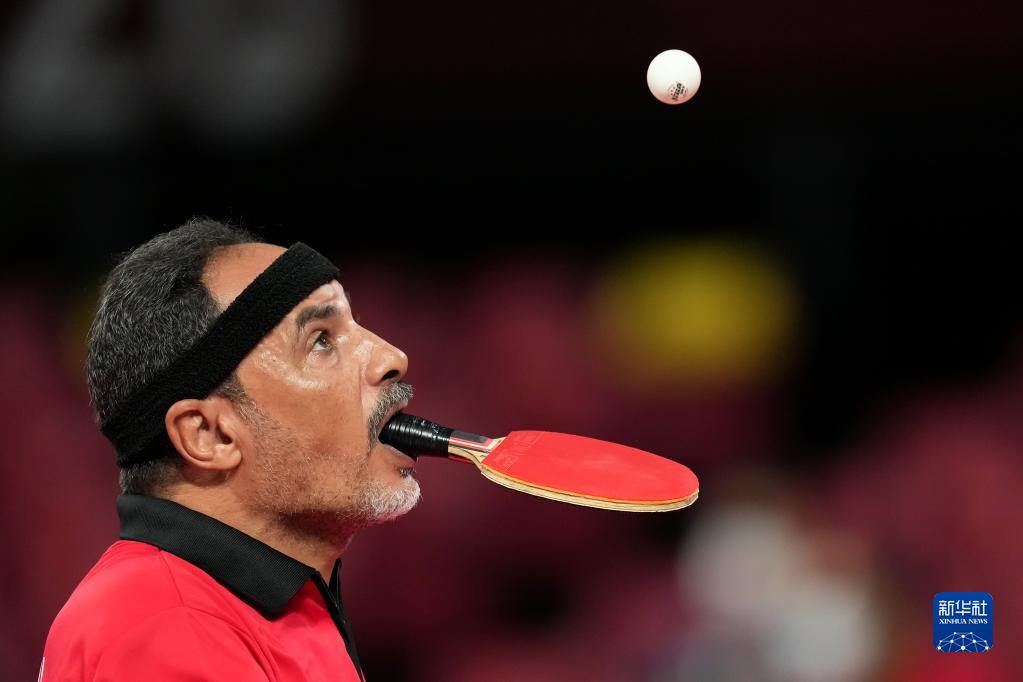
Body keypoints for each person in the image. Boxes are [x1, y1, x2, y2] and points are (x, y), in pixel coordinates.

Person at [40, 218, 420, 681]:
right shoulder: (169, 627)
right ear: (209, 435)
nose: (392, 357)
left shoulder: (264, 607)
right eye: (321, 340)